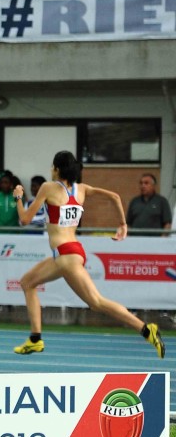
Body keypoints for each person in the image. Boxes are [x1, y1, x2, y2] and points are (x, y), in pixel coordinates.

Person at [12, 151, 164, 358]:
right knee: (27, 282)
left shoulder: (48, 187)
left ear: (57, 169)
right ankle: (35, 339)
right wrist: (122, 224)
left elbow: (24, 220)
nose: (50, 170)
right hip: (70, 251)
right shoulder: (82, 189)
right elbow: (115, 197)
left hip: (66, 256)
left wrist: (18, 198)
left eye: (52, 166)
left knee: (96, 302)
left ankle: (146, 330)